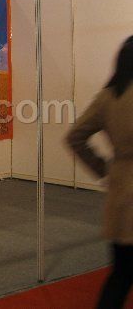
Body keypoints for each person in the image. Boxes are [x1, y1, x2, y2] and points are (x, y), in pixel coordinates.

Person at [66, 36, 133, 309]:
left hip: (121, 190)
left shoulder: (108, 96)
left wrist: (105, 169)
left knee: (121, 274)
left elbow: (74, 137)